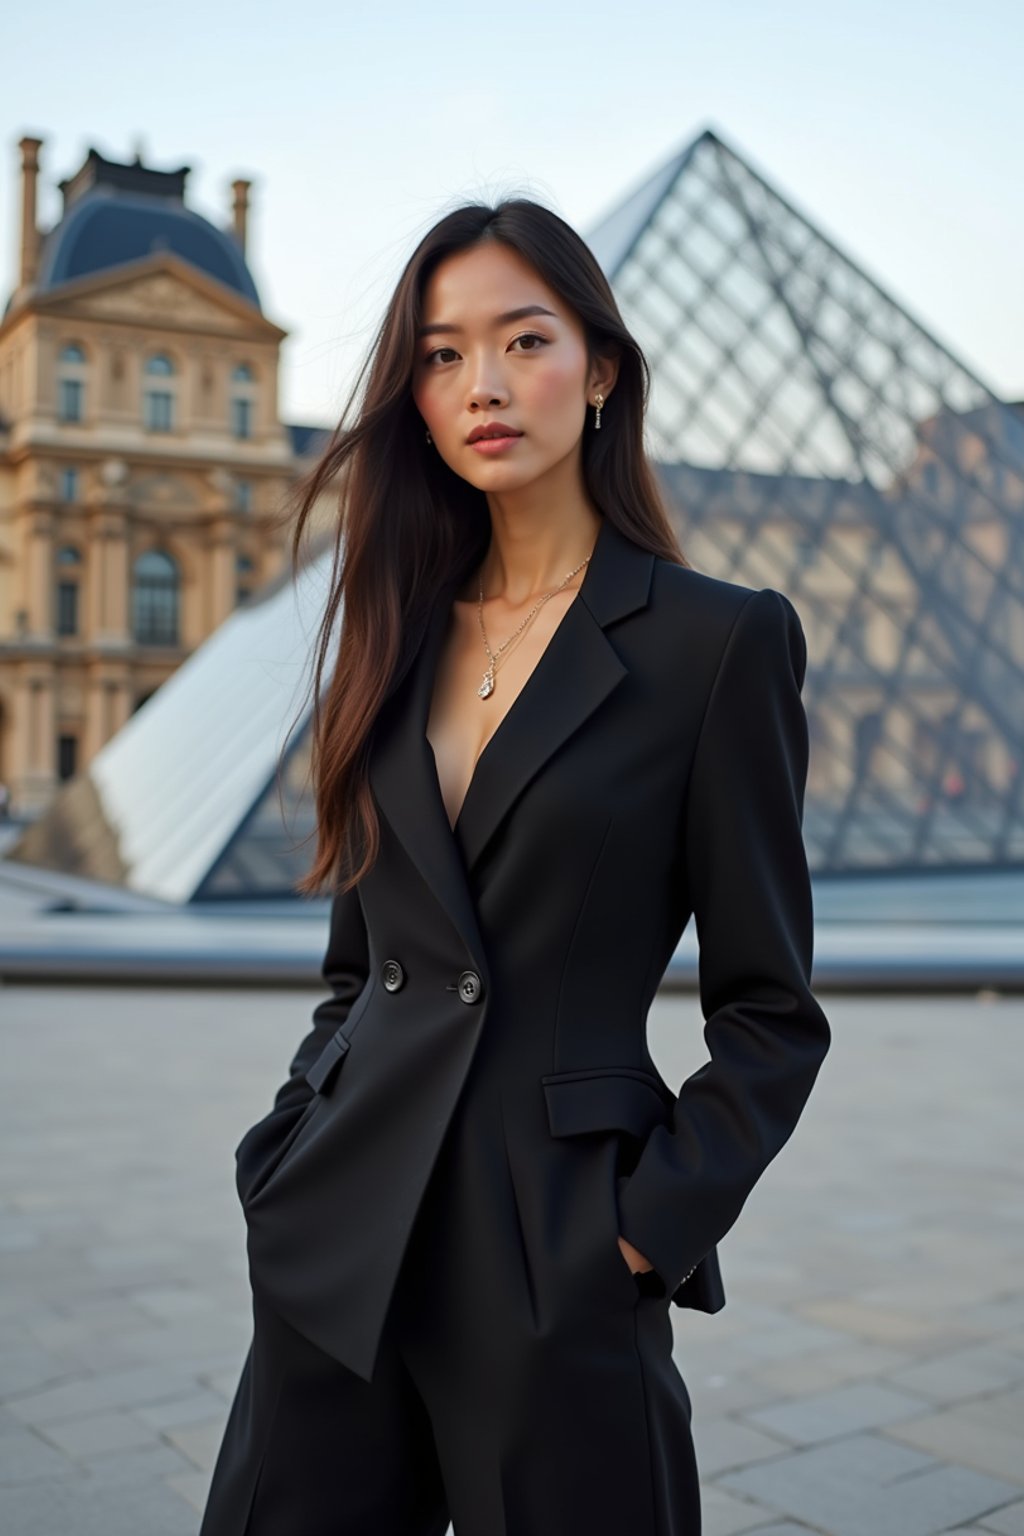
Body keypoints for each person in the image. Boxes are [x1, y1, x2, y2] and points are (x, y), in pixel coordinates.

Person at [199, 197, 831, 1536]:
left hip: (555, 1252)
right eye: (438, 354)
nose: (481, 384)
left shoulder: (717, 646)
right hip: (338, 1232)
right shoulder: (387, 629)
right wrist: (286, 1153)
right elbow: (360, 970)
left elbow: (772, 1014)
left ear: (601, 370)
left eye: (522, 340)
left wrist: (643, 1232)